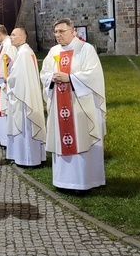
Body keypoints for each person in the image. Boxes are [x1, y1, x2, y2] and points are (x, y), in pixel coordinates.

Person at [40, 18, 106, 192]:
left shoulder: (85, 49)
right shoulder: (53, 51)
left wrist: (69, 78)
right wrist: (50, 78)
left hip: (80, 105)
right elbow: (44, 73)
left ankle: (84, 182)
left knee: (82, 139)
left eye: (61, 31)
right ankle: (63, 181)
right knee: (63, 140)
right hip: (60, 105)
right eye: (55, 32)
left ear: (73, 31)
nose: (58, 35)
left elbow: (93, 75)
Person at [6, 28, 46, 166]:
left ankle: (27, 159)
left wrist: (6, 80)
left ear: (22, 37)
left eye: (13, 35)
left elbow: (17, 77)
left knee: (25, 125)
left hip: (23, 96)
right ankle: (27, 157)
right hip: (26, 92)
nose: (10, 37)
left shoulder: (23, 53)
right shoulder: (24, 51)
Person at [0, 25, 17, 148]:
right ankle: (4, 139)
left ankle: (8, 141)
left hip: (6, 84)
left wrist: (0, 81)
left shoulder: (8, 46)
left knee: (6, 110)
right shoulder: (3, 45)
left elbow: (11, 65)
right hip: (2, 83)